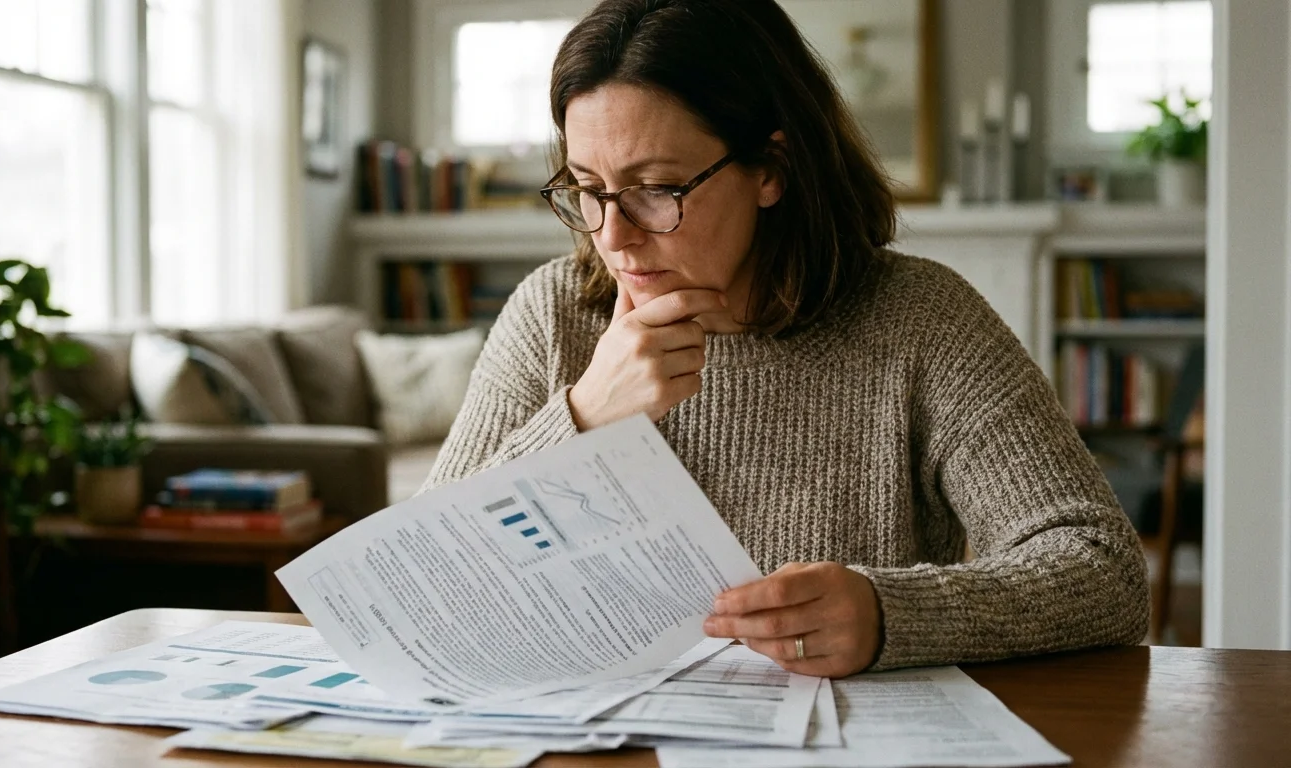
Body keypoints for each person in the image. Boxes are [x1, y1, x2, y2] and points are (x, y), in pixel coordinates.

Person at [423, 0, 1149, 678]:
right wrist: (582, 417)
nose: (613, 236)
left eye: (656, 188)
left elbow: (1103, 570)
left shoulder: (920, 320)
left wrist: (888, 613)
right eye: (587, 187)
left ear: (770, 170)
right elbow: (422, 572)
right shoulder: (554, 313)